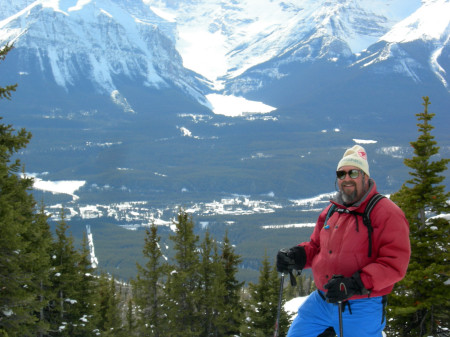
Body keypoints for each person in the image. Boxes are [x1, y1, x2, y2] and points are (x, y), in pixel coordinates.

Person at [277, 145, 410, 337]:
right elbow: (316, 247)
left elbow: (394, 263)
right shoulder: (332, 210)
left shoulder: (386, 213)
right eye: (341, 174)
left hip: (362, 304)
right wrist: (296, 256)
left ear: (365, 176)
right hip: (323, 301)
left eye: (353, 172)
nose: (346, 178)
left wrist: (355, 284)